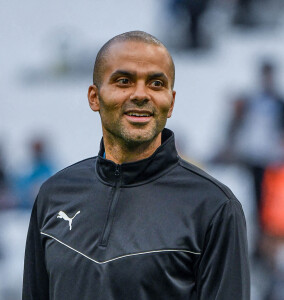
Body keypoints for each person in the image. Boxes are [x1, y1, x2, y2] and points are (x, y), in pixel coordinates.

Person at [22, 31, 250, 300]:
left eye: (155, 84)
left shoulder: (214, 207)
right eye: (123, 81)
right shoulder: (54, 195)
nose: (141, 94)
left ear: (171, 102)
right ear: (94, 97)